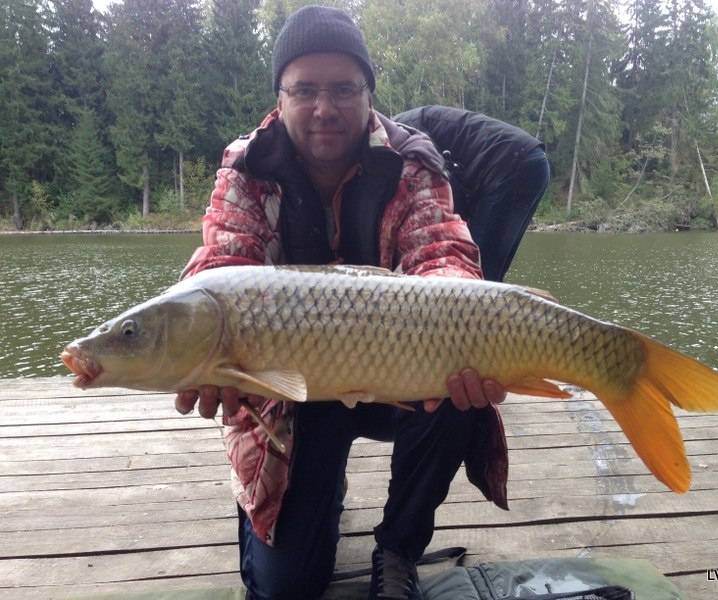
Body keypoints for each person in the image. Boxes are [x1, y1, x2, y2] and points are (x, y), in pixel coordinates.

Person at [173, 6, 509, 600]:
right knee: (284, 588)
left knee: (462, 385)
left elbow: (444, 253)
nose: (324, 108)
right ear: (280, 97)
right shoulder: (248, 167)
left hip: (397, 378)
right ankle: (307, 503)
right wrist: (208, 354)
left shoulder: (411, 160)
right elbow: (221, 263)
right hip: (289, 396)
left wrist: (473, 329)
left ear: (369, 94)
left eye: (343, 89)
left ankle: (399, 548)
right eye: (305, 90)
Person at [393, 106, 549, 283]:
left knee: (473, 276)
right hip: (533, 162)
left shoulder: (402, 135)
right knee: (490, 274)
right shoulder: (406, 126)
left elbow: (441, 178)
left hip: (510, 166)